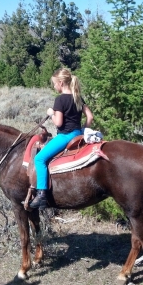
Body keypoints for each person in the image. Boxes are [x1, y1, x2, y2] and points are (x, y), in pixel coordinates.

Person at [29, 68, 93, 209]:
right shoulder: (78, 97)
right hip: (78, 134)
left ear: (61, 82)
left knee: (39, 159)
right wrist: (84, 129)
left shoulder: (60, 100)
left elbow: (58, 123)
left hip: (65, 136)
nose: (54, 86)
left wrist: (51, 113)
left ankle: (42, 195)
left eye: (54, 84)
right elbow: (90, 116)